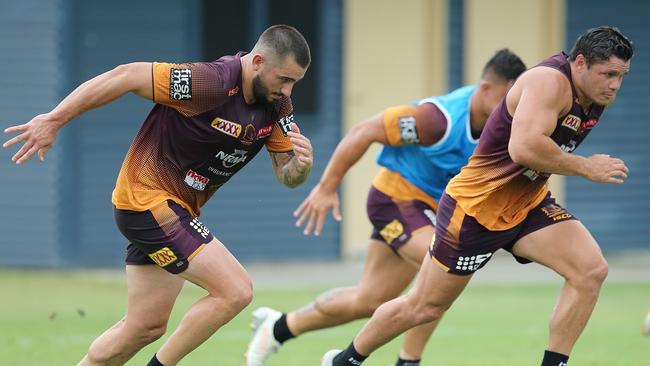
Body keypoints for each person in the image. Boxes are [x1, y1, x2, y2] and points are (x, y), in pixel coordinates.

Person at [320, 26, 633, 366]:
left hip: (526, 205)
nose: (615, 84)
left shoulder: (593, 95)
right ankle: (345, 361)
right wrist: (586, 168)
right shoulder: (549, 83)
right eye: (608, 74)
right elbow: (525, 147)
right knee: (424, 307)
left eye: (621, 76)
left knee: (590, 270)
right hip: (474, 210)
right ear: (581, 63)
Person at [3, 25, 313, 366]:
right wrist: (55, 119)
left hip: (174, 213)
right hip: (146, 200)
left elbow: (288, 175)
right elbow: (127, 75)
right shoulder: (209, 83)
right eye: (283, 79)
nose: (287, 90)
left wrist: (303, 165)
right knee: (235, 290)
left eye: (294, 83)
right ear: (257, 61)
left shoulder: (277, 106)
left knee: (145, 327)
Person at [244, 49, 526, 366]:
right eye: (508, 99)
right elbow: (364, 131)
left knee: (370, 300)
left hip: (432, 212)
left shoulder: (504, 126)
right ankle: (408, 361)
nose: (513, 109)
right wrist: (326, 187)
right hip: (395, 200)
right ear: (486, 89)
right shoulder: (436, 120)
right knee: (446, 265)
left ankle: (278, 327)